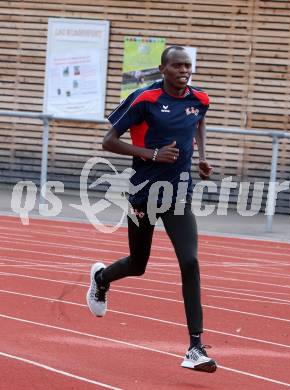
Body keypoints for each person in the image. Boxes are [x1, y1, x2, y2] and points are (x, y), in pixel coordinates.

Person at [86, 45, 217, 373]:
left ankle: (195, 347)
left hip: (178, 194)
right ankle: (102, 277)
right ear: (162, 69)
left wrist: (201, 156)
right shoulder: (143, 99)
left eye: (187, 65)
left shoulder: (199, 99)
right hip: (143, 194)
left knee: (190, 261)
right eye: (177, 65)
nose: (184, 70)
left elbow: (199, 121)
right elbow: (108, 141)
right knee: (138, 264)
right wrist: (151, 154)